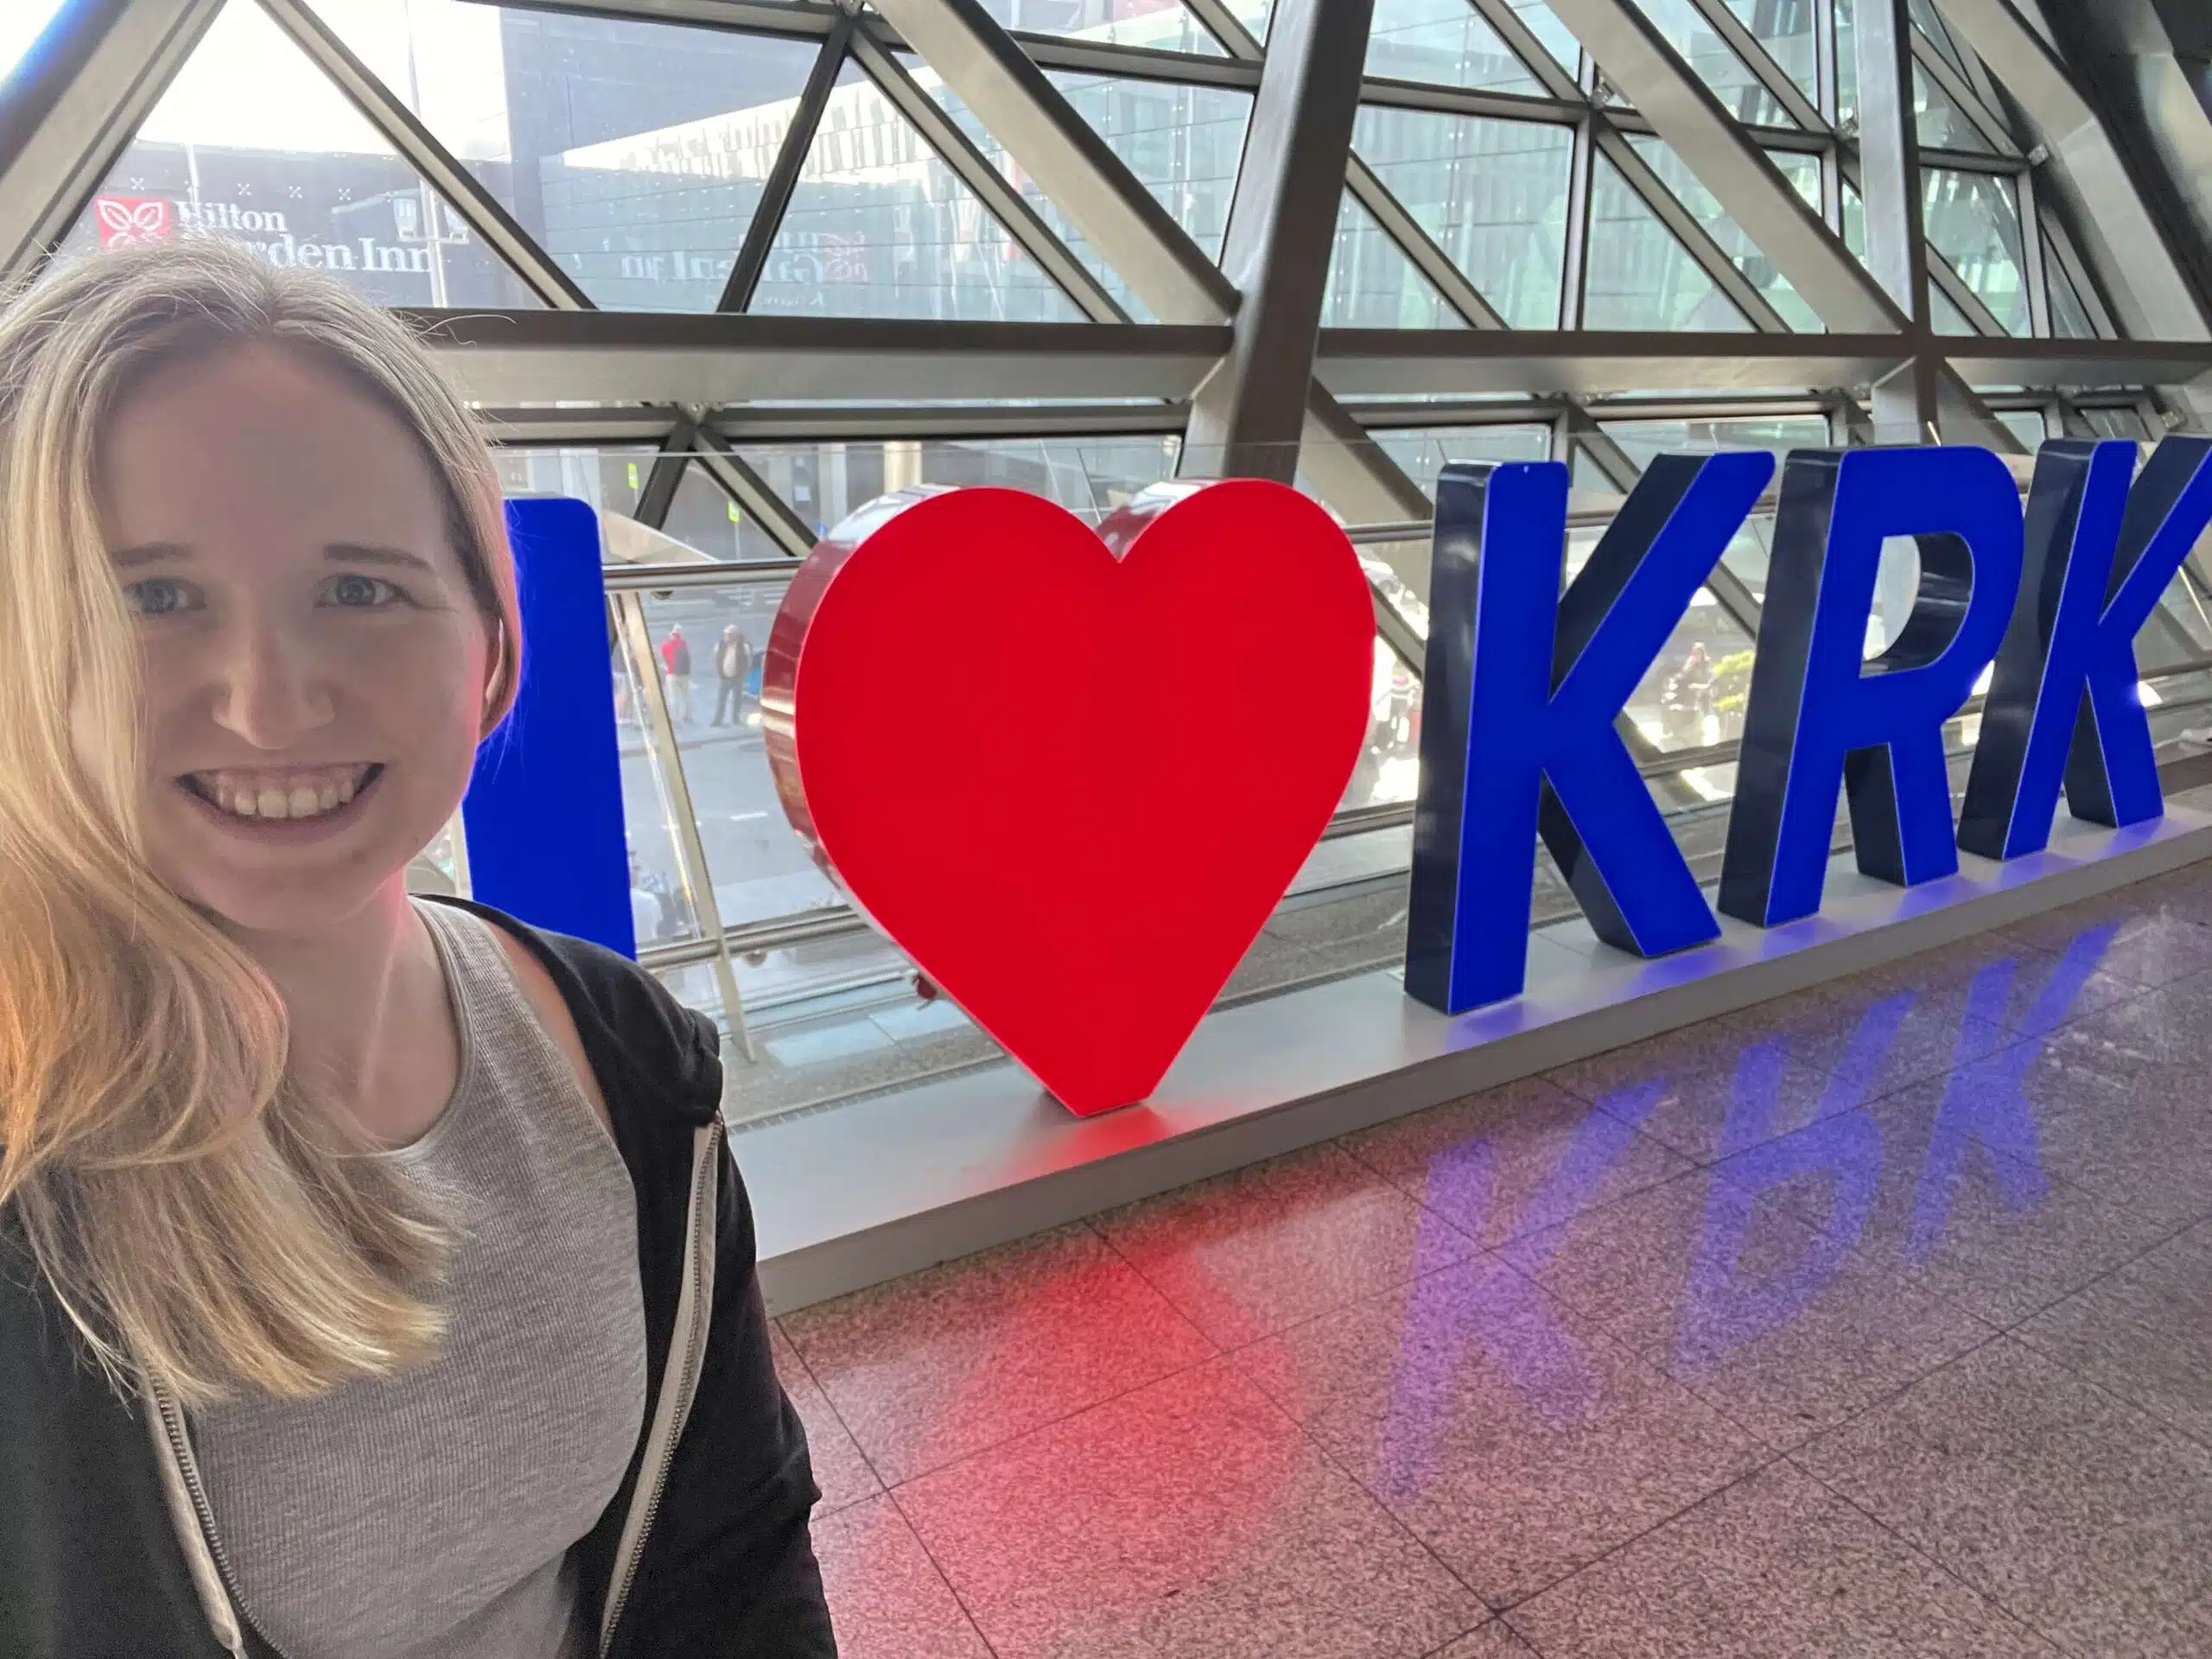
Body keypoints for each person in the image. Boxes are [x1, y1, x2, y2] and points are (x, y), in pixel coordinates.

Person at [0, 241, 835, 1659]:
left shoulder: (626, 1058)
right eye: (153, 597)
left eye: (358, 589)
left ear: (492, 643)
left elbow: (738, 1555)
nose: (268, 706)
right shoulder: (34, 1185)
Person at [711, 623, 753, 728]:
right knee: (721, 699)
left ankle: (736, 719)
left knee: (737, 699)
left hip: (737, 677)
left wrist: (743, 675)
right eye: (726, 634)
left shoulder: (743, 647)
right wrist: (720, 671)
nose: (727, 637)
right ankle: (718, 720)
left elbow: (748, 662)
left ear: (735, 636)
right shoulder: (720, 645)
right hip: (724, 677)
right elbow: (716, 657)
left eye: (729, 635)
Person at [659, 622, 694, 723]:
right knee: (686, 695)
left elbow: (662, 658)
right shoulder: (683, 643)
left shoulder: (665, 645)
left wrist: (666, 667)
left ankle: (675, 717)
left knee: (673, 697)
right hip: (684, 673)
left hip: (671, 673)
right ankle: (689, 715)